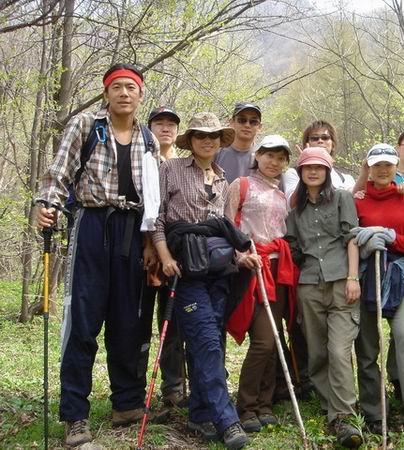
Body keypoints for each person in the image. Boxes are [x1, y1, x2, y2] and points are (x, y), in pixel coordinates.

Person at [35, 64, 160, 447]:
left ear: (140, 95)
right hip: (92, 226)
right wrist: (46, 205)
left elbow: (152, 197)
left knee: (129, 322)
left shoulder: (148, 139)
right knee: (84, 321)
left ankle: (127, 403)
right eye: (117, 87)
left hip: (133, 231)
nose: (124, 93)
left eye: (131, 88)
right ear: (106, 93)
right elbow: (58, 173)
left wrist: (151, 241)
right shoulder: (86, 126)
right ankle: (75, 414)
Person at [152, 112, 248, 449]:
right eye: (200, 135)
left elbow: (223, 225)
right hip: (185, 270)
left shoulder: (222, 178)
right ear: (190, 140)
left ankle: (200, 413)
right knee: (206, 340)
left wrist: (240, 256)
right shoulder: (171, 169)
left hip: (218, 270)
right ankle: (227, 420)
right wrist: (165, 257)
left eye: (213, 136)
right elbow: (158, 218)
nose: (207, 141)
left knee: (210, 341)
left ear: (220, 141)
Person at [353, 144, 404, 437]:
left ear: (395, 167)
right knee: (367, 346)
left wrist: (389, 236)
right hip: (366, 276)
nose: (383, 170)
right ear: (368, 168)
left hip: (398, 276)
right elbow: (348, 238)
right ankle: (375, 412)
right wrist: (365, 244)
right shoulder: (357, 201)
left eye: (388, 165)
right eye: (377, 165)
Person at [285, 147, 363, 449]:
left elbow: (352, 238)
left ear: (328, 171)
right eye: (308, 167)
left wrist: (353, 277)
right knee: (317, 352)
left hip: (341, 282)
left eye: (319, 167)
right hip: (309, 286)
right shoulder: (296, 211)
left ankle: (344, 417)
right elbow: (294, 249)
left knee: (339, 351)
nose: (314, 171)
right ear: (301, 173)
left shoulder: (342, 198)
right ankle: (330, 404)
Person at [224, 135, 294, 433]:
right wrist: (240, 256)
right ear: (258, 155)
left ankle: (265, 403)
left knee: (274, 339)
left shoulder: (282, 194)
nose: (274, 162)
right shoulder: (241, 185)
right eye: (269, 155)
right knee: (264, 341)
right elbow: (227, 225)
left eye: (280, 158)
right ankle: (247, 405)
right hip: (250, 266)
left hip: (278, 267)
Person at [140, 106, 187, 408]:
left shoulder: (183, 165)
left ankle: (174, 386)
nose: (166, 128)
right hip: (146, 253)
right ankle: (135, 389)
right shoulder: (142, 159)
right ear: (150, 128)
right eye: (159, 123)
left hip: (176, 252)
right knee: (141, 322)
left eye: (171, 124)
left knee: (172, 320)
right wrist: (147, 244)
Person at [215, 102, 262, 183]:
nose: (247, 125)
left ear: (259, 127)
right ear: (232, 122)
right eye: (242, 120)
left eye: (253, 122)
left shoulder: (263, 157)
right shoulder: (216, 152)